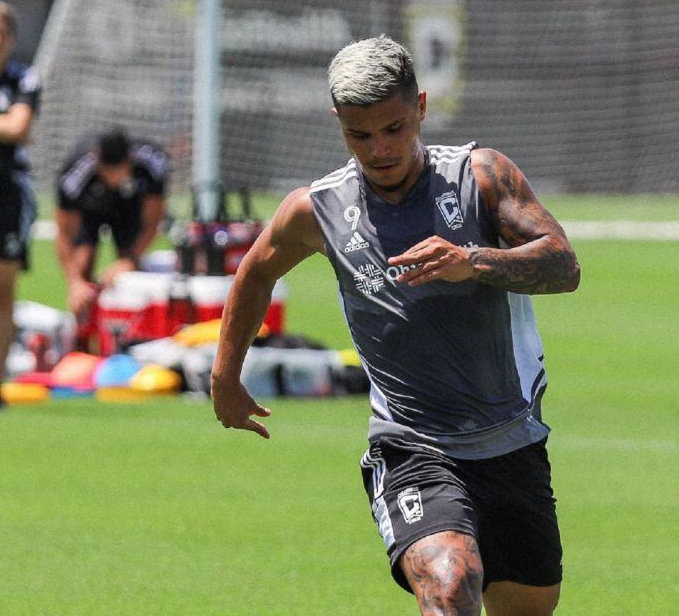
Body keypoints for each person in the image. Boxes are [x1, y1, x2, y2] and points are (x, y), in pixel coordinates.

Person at [211, 36, 580, 616]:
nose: (380, 148)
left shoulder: (480, 176)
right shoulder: (318, 210)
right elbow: (254, 273)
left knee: (528, 607)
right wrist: (224, 376)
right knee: (449, 578)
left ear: (422, 108)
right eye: (360, 135)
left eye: (395, 128)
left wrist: (473, 262)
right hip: (411, 446)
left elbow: (563, 264)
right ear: (338, 123)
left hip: (512, 440)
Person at [0, 1, 40, 410]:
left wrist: (6, 131)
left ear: (11, 39)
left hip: (4, 194)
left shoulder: (24, 78)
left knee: (4, 290)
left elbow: (20, 127)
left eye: (2, 31)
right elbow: (9, 128)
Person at [55, 130, 168, 317]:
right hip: (90, 208)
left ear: (129, 162)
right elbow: (64, 233)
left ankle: (130, 326)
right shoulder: (74, 175)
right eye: (108, 173)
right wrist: (75, 282)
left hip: (129, 205)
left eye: (118, 172)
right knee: (82, 262)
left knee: (130, 271)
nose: (113, 179)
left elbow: (152, 222)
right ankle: (82, 329)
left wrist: (129, 260)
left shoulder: (152, 163)